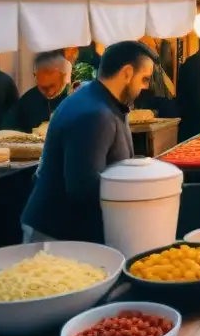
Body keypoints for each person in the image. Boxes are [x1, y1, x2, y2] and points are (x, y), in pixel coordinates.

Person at [21, 41, 156, 243]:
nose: (146, 86)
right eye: (144, 78)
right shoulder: (95, 114)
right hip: (55, 237)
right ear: (127, 73)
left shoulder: (100, 98)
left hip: (64, 231)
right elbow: (83, 189)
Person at [1, 51, 71, 133]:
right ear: (36, 77)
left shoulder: (73, 96)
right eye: (43, 88)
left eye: (52, 86)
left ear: (63, 76)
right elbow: (7, 125)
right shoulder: (30, 98)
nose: (50, 92)